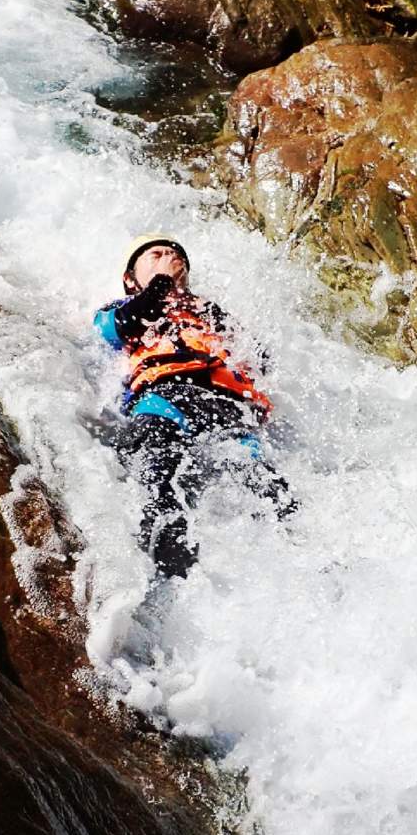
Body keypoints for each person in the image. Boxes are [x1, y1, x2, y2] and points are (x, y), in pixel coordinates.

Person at [94, 234, 295, 580]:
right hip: (163, 398)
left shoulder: (210, 312)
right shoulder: (119, 310)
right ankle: (166, 579)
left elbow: (258, 358)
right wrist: (160, 285)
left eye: (174, 256)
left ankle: (297, 562)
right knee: (158, 477)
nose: (169, 258)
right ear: (130, 278)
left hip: (226, 406)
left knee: (265, 486)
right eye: (156, 254)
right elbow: (118, 329)